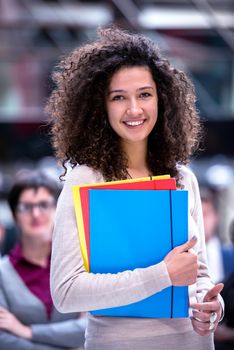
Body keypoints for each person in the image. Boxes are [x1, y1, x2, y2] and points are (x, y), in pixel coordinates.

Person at [47, 27, 224, 350]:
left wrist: (211, 308)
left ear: (162, 98)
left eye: (145, 94)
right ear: (100, 107)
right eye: (119, 97)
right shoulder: (86, 179)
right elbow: (66, 292)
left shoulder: (184, 178)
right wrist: (162, 275)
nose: (134, 110)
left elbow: (198, 276)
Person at [0, 170, 86, 349]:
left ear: (57, 209)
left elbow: (91, 327)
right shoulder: (2, 273)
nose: (36, 214)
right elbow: (4, 340)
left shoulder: (79, 264)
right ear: (15, 215)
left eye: (44, 205)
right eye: (26, 207)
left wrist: (27, 331)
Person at [201, 187, 234, 283]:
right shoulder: (182, 258)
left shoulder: (230, 255)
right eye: (195, 215)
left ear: (216, 217)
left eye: (205, 214)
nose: (200, 221)